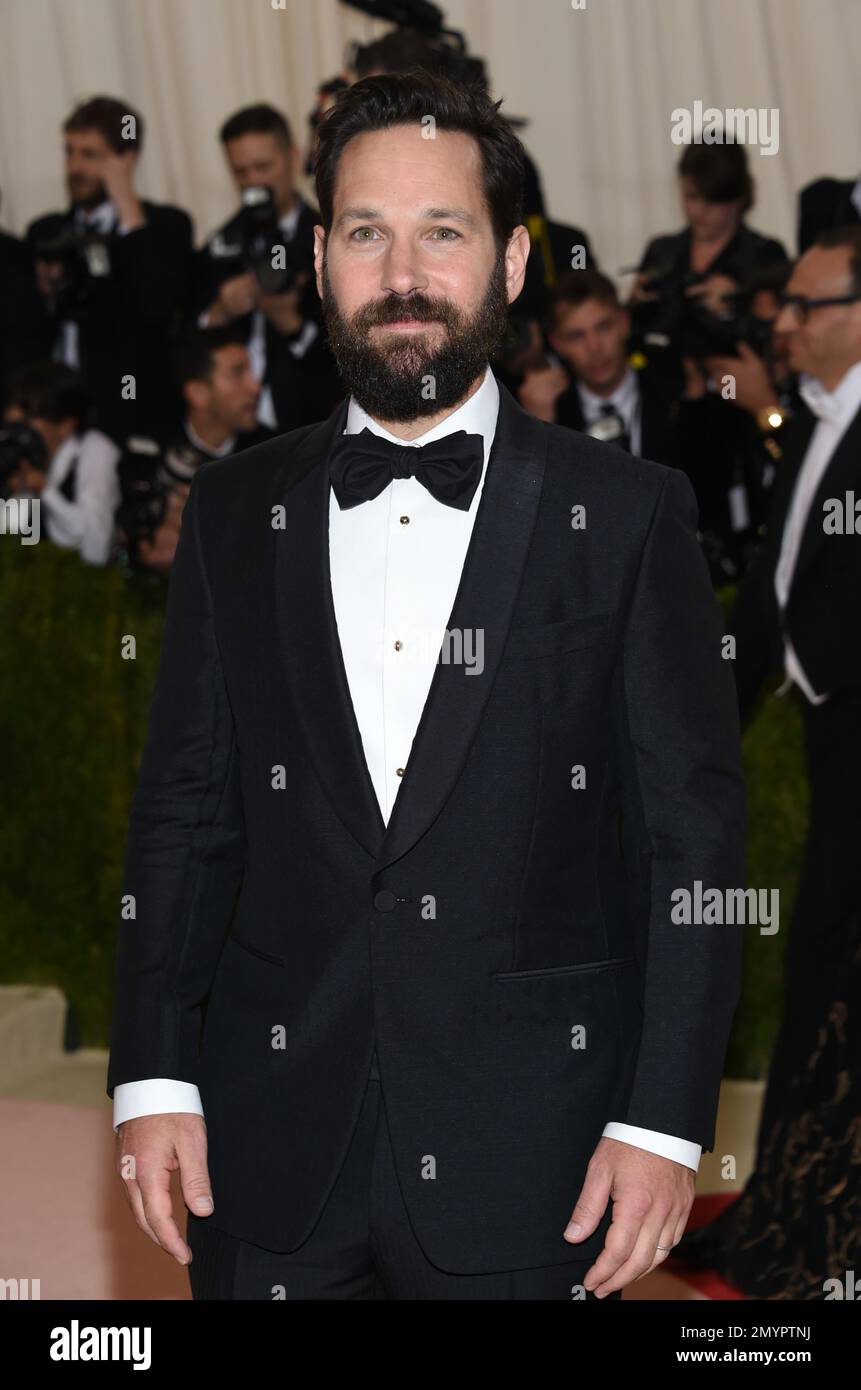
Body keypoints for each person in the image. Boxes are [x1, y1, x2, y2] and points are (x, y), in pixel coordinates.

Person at [108, 72, 746, 1302]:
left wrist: (665, 1124)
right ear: (319, 255)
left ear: (511, 262)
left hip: (541, 1155)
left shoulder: (624, 515)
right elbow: (182, 813)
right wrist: (153, 1075)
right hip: (266, 1144)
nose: (402, 273)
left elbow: (693, 847)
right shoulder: (239, 510)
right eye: (366, 233)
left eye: (441, 232)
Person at [675, 225, 861, 1297]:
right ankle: (791, 1203)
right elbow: (769, 596)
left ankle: (816, 1220)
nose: (783, 323)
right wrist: (697, 718)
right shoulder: (813, 425)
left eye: (806, 305)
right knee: (818, 972)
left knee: (829, 972)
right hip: (836, 745)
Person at [26, 96, 194, 445]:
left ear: (126, 159)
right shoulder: (45, 233)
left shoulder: (165, 226)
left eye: (90, 155)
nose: (74, 167)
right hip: (57, 422)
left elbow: (159, 306)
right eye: (69, 152)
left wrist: (127, 208)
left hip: (135, 418)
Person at [193, 104, 342, 432]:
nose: (253, 182)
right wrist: (219, 312)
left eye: (262, 167)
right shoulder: (221, 244)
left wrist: (291, 324)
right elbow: (188, 348)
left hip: (313, 426)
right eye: (241, 172)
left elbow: (351, 358)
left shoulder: (333, 238)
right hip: (236, 434)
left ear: (293, 156)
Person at [121, 328, 271, 576]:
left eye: (251, 372)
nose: (254, 387)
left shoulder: (271, 454)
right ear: (198, 393)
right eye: (237, 373)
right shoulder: (148, 446)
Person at [517, 270, 678, 461]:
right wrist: (535, 431)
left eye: (603, 327)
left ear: (624, 323)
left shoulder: (673, 390)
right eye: (576, 336)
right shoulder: (546, 412)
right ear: (556, 344)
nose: (594, 347)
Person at [4, 363, 119, 565]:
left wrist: (45, 490)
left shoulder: (93, 449)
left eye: (28, 422)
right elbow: (13, 540)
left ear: (65, 425)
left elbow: (96, 549)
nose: (21, 433)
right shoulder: (21, 455)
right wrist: (15, 495)